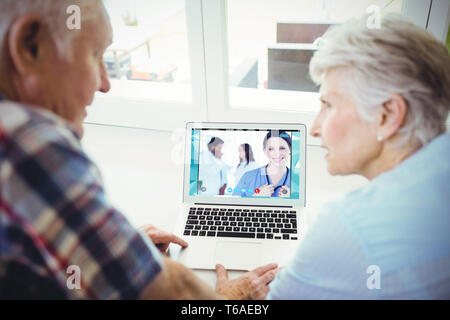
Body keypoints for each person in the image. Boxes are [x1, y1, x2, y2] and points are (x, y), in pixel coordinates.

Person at [0, 0, 277, 299]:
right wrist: (233, 299)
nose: (104, 84)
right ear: (30, 47)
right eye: (95, 55)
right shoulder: (29, 146)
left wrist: (122, 251)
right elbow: (175, 293)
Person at [217, 13, 450, 299]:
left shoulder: (348, 226)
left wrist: (228, 297)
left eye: (328, 105)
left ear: (387, 115)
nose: (315, 128)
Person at [233, 131, 291, 198]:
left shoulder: (299, 180)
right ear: (265, 151)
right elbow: (232, 205)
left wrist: (293, 198)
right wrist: (255, 197)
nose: (277, 153)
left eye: (282, 148)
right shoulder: (248, 177)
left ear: (290, 149)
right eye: (271, 149)